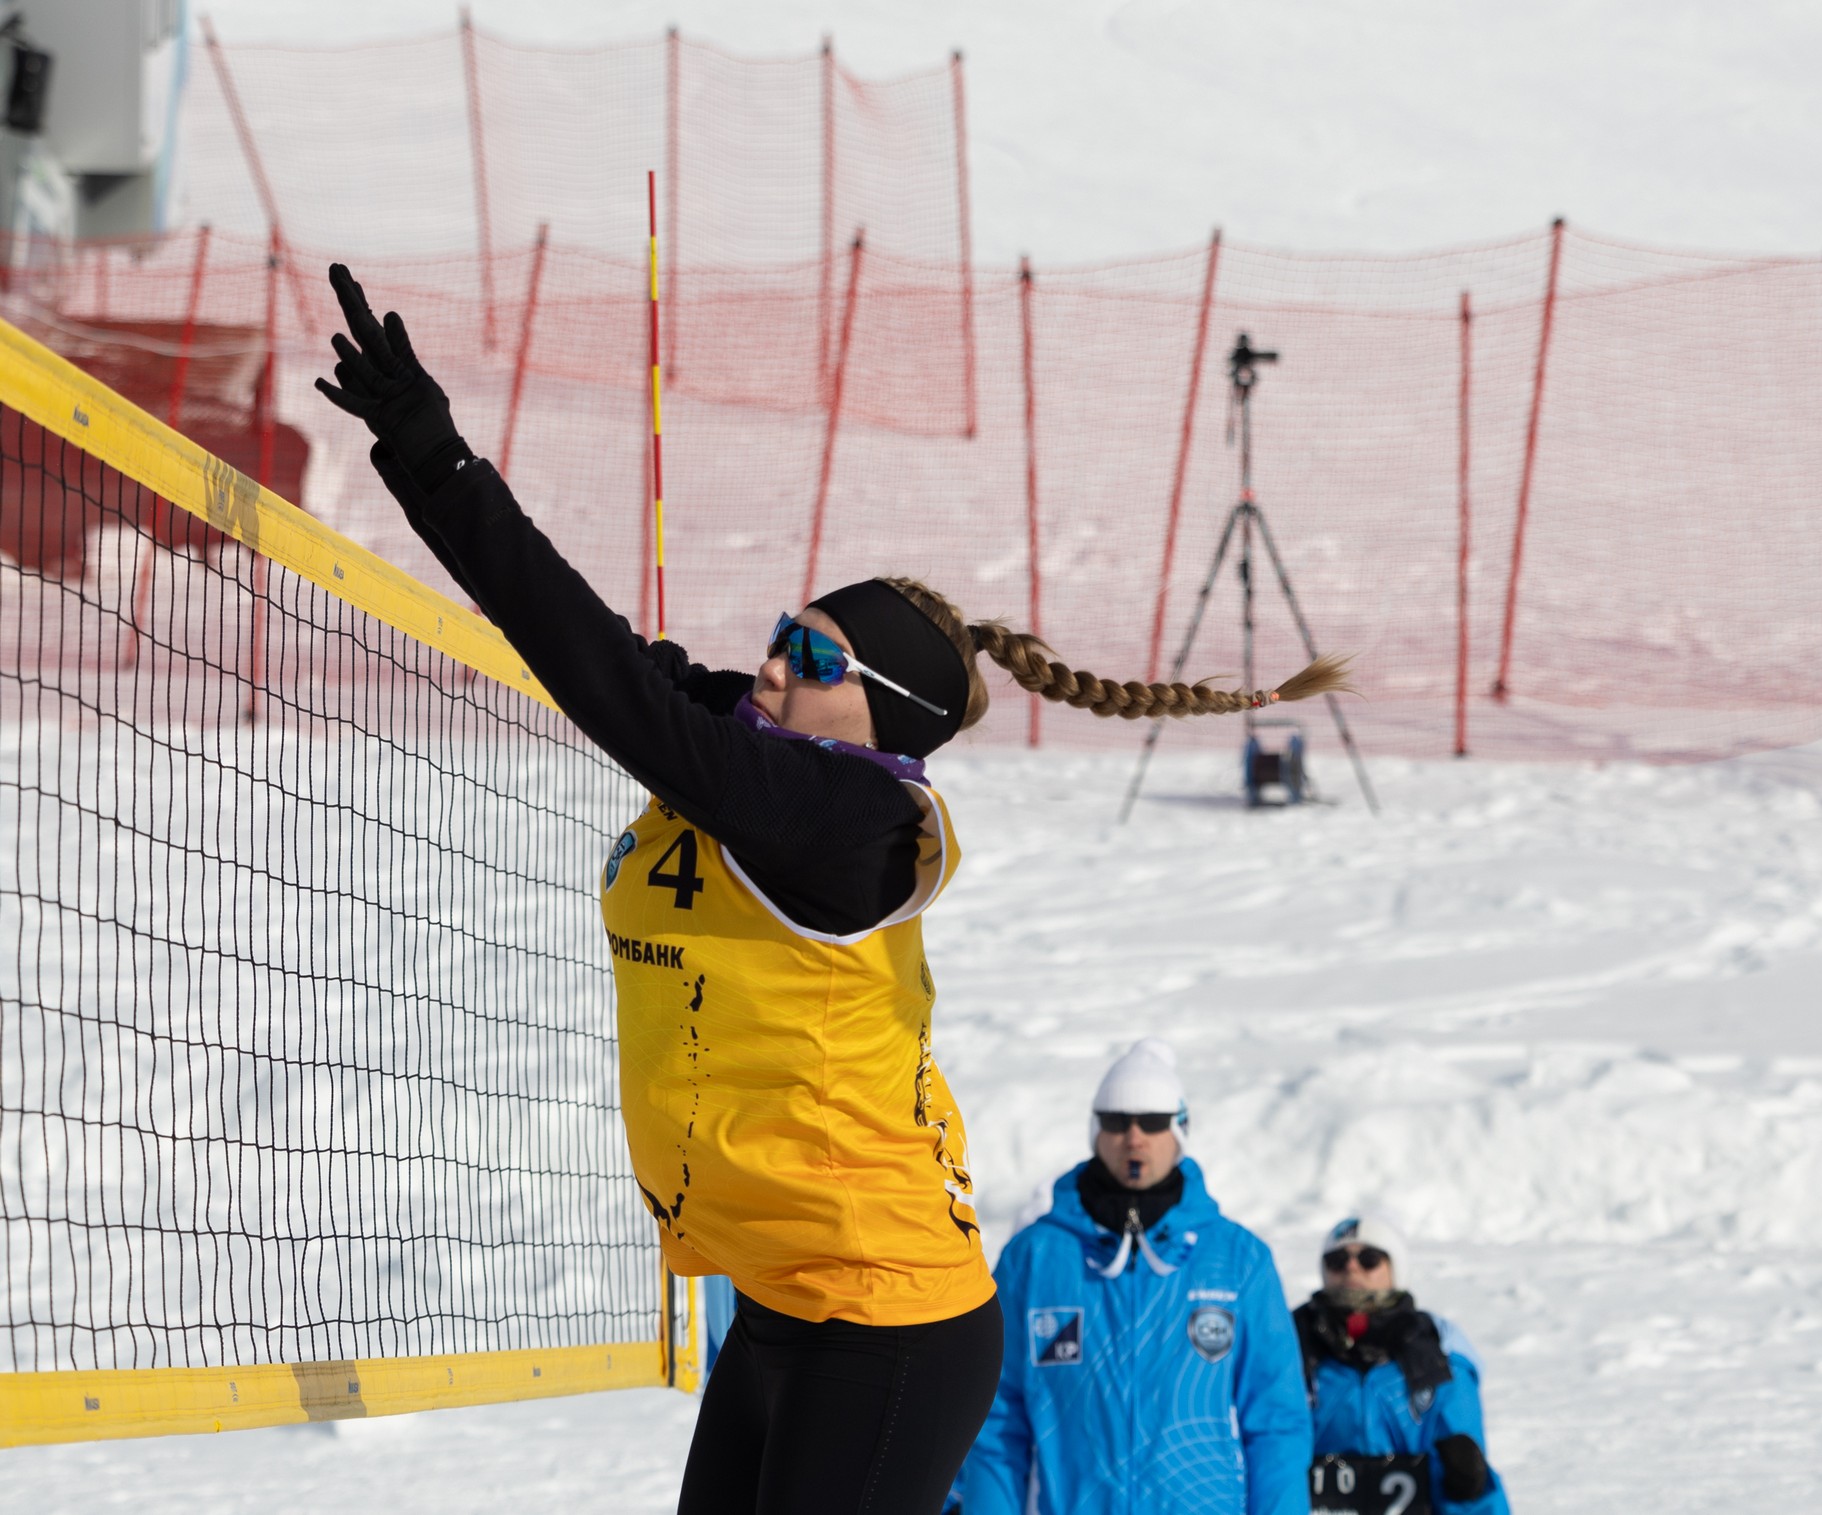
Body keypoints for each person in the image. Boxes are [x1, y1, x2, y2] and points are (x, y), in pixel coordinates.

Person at [312, 266, 1350, 1515]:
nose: (768, 661)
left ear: (883, 716)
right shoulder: (772, 759)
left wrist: (440, 460)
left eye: (810, 656)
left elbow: (612, 687)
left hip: (887, 1316)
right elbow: (601, 651)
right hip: (790, 1298)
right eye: (782, 629)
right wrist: (432, 497)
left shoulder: (848, 818)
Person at [957, 1040, 1312, 1515]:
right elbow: (996, 1422)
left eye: (1153, 1121)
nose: (1134, 1136)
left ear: (1180, 1130)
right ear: (1095, 1129)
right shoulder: (1036, 1257)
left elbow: (1276, 1422)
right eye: (1116, 1120)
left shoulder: (1238, 1259)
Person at [1295, 1216, 1509, 1515]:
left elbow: (1469, 1480)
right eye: (1337, 1260)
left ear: (1396, 1268)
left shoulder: (1437, 1355)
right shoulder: (1289, 1348)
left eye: (1369, 1259)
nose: (1351, 1268)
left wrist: (1468, 1486)